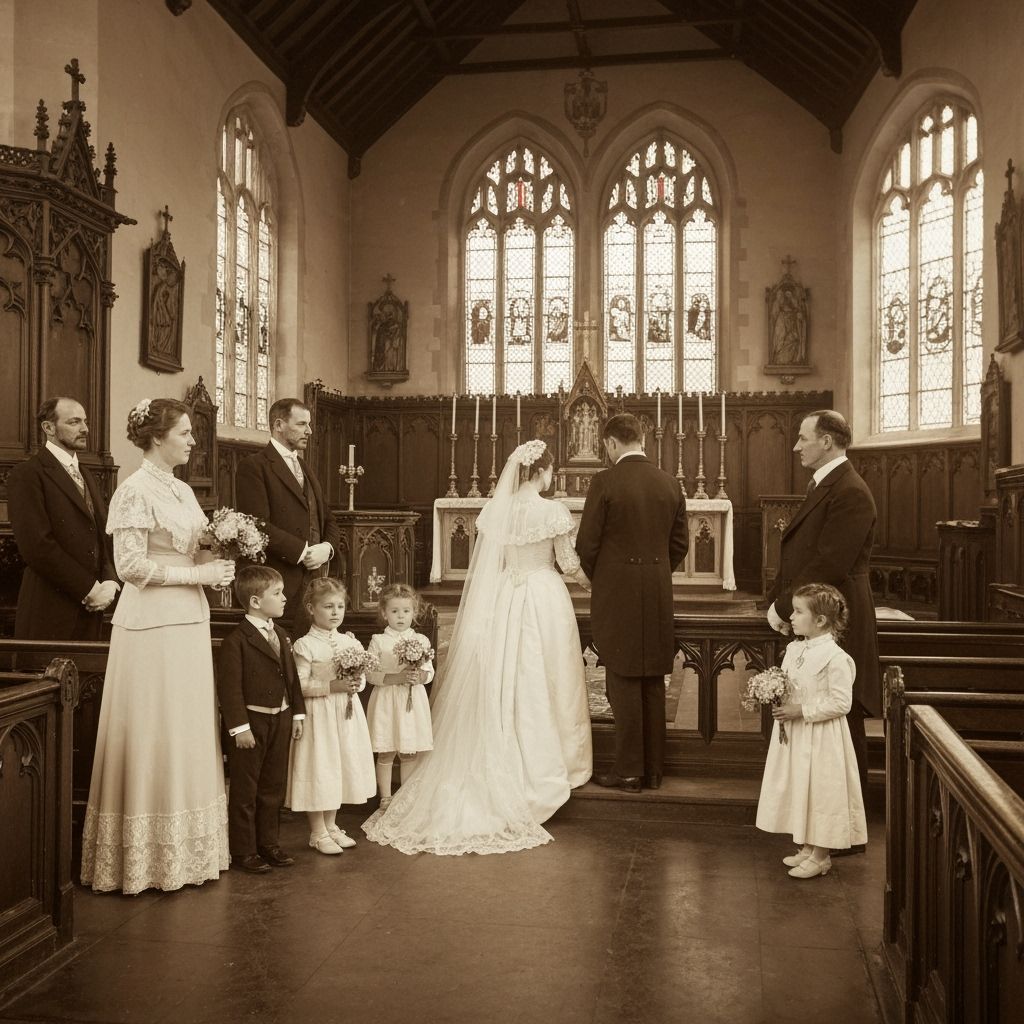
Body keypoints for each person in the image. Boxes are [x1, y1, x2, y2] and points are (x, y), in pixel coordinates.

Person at [363, 440, 593, 856]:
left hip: (506, 597)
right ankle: (554, 763)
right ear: (540, 472)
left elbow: (497, 563)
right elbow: (569, 562)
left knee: (508, 674)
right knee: (550, 677)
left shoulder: (497, 511)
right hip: (543, 596)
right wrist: (592, 585)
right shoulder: (553, 511)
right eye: (549, 470)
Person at [80, 398, 235, 893]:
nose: (193, 440)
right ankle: (143, 860)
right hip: (151, 623)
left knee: (185, 724)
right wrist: (199, 573)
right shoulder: (133, 491)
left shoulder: (184, 491)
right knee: (154, 723)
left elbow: (192, 543)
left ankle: (188, 854)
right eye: (185, 433)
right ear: (156, 438)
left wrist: (222, 548)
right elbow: (130, 568)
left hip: (189, 617)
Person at [766, 409, 879, 832]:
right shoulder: (828, 485)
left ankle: (847, 828)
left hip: (837, 617)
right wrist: (785, 603)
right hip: (818, 614)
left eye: (803, 438)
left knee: (842, 723)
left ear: (827, 441)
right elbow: (804, 553)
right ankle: (816, 824)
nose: (796, 446)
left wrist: (783, 607)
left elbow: (829, 563)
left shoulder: (849, 490)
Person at [575, 413, 689, 792]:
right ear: (642, 438)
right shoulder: (670, 483)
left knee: (621, 680)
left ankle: (627, 772)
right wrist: (653, 573)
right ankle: (653, 770)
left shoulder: (605, 481)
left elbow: (587, 543)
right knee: (653, 680)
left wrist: (606, 577)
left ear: (609, 443)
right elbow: (680, 545)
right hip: (657, 590)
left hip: (616, 591)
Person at [755, 584, 868, 879]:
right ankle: (806, 846)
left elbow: (842, 703)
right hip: (796, 735)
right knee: (800, 785)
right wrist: (774, 691)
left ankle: (821, 855)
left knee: (821, 791)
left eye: (798, 611)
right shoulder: (795, 648)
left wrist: (801, 711)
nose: (790, 616)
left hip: (822, 738)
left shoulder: (836, 657)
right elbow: (790, 682)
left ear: (820, 621)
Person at [217, 565, 306, 874]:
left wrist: (297, 712)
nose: (284, 598)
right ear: (256, 601)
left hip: (280, 719)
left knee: (273, 786)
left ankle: (268, 843)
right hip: (251, 725)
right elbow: (229, 690)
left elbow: (291, 679)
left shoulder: (281, 634)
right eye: (277, 593)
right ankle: (244, 849)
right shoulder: (237, 641)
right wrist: (240, 728)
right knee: (246, 789)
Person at [8, 397, 119, 639]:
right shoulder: (27, 474)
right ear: (48, 428)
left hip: (93, 610)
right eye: (74, 422)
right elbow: (37, 547)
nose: (85, 429)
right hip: (50, 610)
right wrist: (88, 588)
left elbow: (102, 535)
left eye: (86, 422)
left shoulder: (88, 475)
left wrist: (109, 582)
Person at [235, 397, 340, 636]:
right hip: (279, 580)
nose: (310, 431)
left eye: (309, 424)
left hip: (314, 580)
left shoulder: (305, 467)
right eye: (302, 424)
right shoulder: (254, 466)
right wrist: (302, 552)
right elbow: (256, 525)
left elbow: (327, 517)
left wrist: (327, 547)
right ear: (279, 425)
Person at [286, 577, 376, 854]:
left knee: (338, 766)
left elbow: (362, 679)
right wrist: (331, 686)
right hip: (319, 715)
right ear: (311, 609)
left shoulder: (349, 642)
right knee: (321, 766)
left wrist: (355, 684)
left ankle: (331, 825)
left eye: (340, 606)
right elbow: (297, 686)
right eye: (328, 606)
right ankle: (317, 831)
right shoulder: (305, 645)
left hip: (345, 714)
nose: (335, 612)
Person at [365, 583, 435, 809]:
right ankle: (385, 797)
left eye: (406, 611)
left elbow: (430, 672)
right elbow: (370, 673)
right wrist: (395, 678)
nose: (401, 616)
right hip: (387, 699)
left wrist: (420, 677)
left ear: (414, 613)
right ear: (385, 613)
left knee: (408, 750)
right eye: (394, 611)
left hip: (411, 702)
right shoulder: (378, 641)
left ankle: (405, 797)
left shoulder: (421, 641)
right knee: (387, 750)